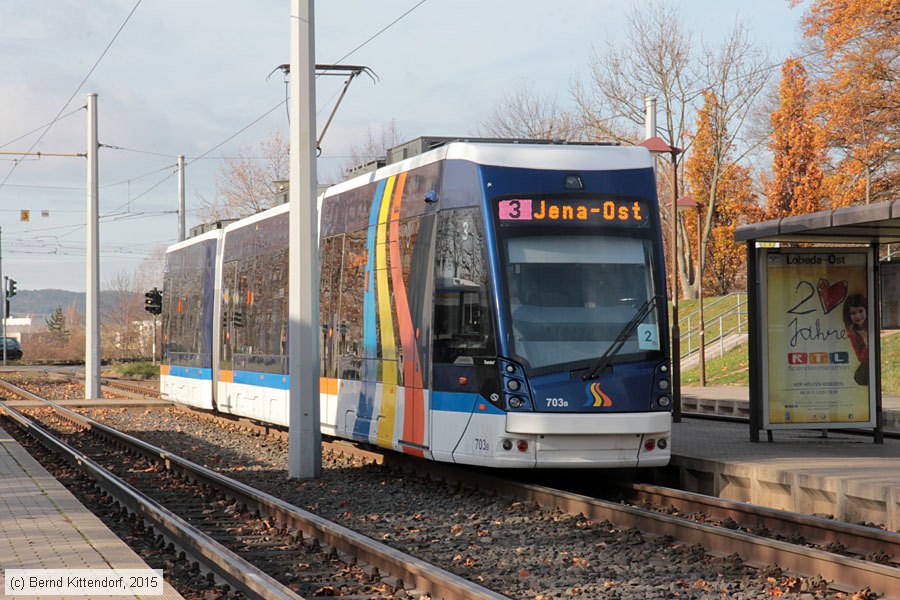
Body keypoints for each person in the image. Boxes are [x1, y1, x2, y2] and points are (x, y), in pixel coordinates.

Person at [842, 294, 869, 385]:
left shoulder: (872, 326)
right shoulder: (853, 334)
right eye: (853, 313)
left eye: (860, 311)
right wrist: (867, 344)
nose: (858, 315)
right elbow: (861, 358)